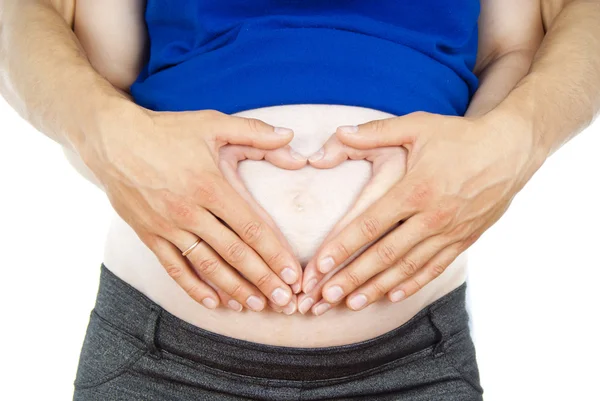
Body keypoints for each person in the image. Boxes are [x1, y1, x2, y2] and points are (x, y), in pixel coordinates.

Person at [0, 0, 598, 400]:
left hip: (411, 362)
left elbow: (520, 45)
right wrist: (103, 128)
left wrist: (504, 143)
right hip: (163, 356)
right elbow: (50, 27)